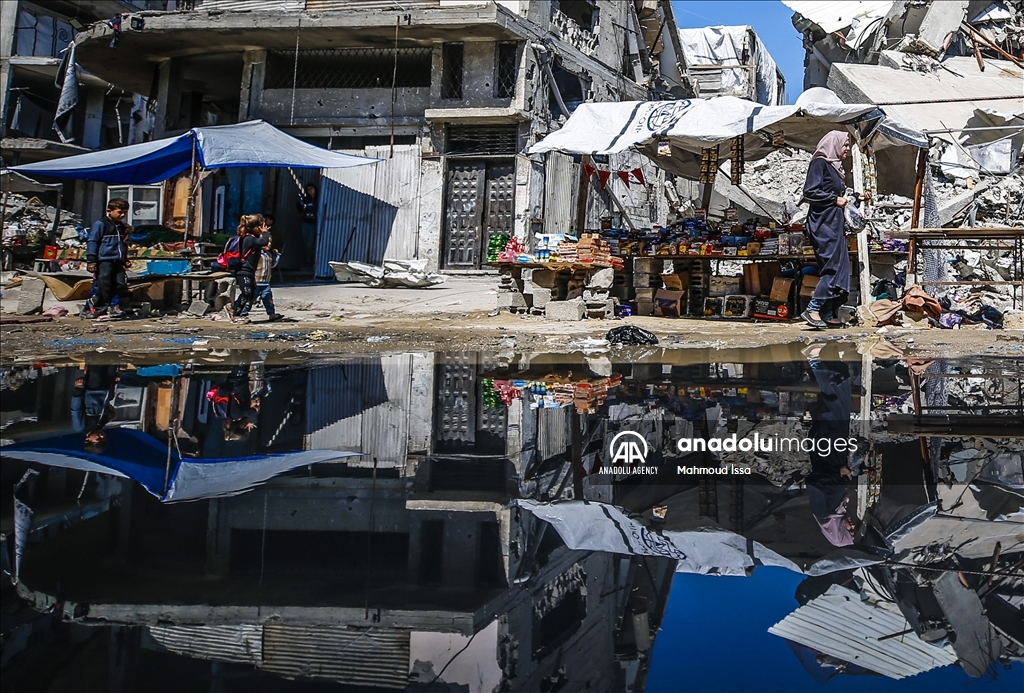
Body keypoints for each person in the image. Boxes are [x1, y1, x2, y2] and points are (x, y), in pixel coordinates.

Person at [800, 131, 870, 329]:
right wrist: (834, 199)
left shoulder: (836, 168)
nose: (847, 148)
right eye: (845, 145)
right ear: (834, 144)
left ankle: (829, 312)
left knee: (841, 268)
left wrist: (857, 197)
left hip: (834, 224)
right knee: (832, 267)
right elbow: (810, 192)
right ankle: (813, 309)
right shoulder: (819, 163)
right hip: (822, 224)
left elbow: (838, 195)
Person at [86, 198, 132, 319]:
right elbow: (93, 242)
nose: (122, 215)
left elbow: (122, 244)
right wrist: (91, 260)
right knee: (104, 285)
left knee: (120, 284)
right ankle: (98, 310)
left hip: (117, 261)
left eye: (125, 213)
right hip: (104, 260)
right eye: (119, 212)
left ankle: (108, 305)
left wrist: (125, 259)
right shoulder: (101, 224)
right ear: (109, 211)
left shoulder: (120, 227)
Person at [71, 363, 119, 453]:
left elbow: (76, 408)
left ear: (87, 440)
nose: (101, 436)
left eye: (98, 439)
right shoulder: (102, 422)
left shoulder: (81, 427)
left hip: (92, 389)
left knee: (96, 365)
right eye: (103, 438)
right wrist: (114, 383)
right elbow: (106, 402)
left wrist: (78, 389)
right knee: (113, 363)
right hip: (106, 389)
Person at [231, 214, 270, 324]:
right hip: (243, 271)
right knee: (247, 292)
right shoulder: (248, 238)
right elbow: (263, 242)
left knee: (252, 293)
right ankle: (236, 314)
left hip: (249, 271)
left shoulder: (252, 238)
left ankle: (232, 306)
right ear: (257, 228)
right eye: (262, 226)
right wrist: (265, 233)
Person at [255, 230, 283, 322]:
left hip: (266, 282)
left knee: (268, 298)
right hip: (256, 281)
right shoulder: (257, 254)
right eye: (267, 241)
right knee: (250, 299)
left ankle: (271, 314)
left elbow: (273, 265)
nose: (269, 244)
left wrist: (276, 255)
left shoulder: (269, 255)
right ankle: (242, 313)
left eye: (271, 242)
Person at [298, 183, 318, 268]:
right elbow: (299, 207)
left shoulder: (319, 198)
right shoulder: (306, 199)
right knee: (306, 243)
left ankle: (312, 261)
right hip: (306, 223)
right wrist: (301, 208)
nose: (310, 191)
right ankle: (308, 261)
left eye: (311, 188)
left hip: (315, 224)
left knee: (311, 243)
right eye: (308, 189)